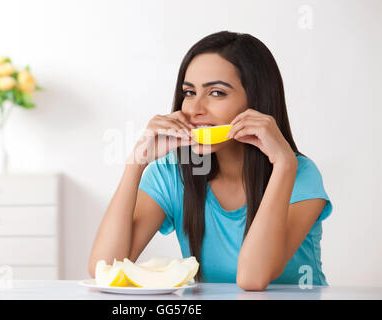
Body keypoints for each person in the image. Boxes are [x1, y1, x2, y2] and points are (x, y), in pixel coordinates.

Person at [88, 31, 332, 291]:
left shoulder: (299, 174)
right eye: (189, 92)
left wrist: (283, 165)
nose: (195, 109)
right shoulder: (171, 174)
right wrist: (136, 163)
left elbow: (253, 279)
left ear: (256, 101)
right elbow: (104, 268)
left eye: (216, 93)